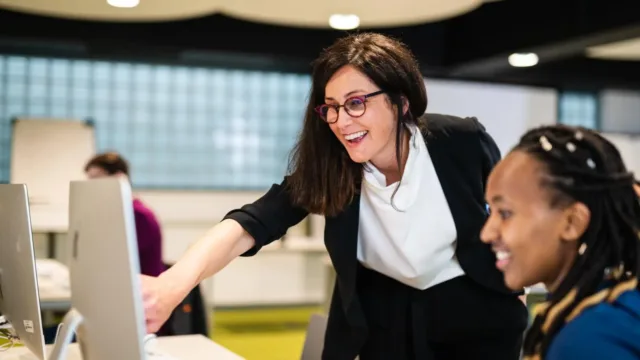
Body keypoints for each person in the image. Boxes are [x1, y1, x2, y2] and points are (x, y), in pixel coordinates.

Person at [141, 32, 528, 359]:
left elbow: (513, 215)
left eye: (357, 102)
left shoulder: (458, 141)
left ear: (401, 101)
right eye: (331, 108)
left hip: (477, 315)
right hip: (386, 324)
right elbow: (251, 222)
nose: (342, 122)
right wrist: (173, 283)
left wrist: (518, 284)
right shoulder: (333, 167)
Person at [481, 125, 640, 360]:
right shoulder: (607, 308)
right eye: (489, 211)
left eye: (504, 213)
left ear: (572, 223)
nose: (486, 233)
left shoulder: (587, 341)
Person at [84, 152, 165, 278]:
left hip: (143, 291)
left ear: (119, 178)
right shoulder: (116, 212)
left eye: (96, 179)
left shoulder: (138, 215)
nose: (91, 187)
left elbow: (117, 260)